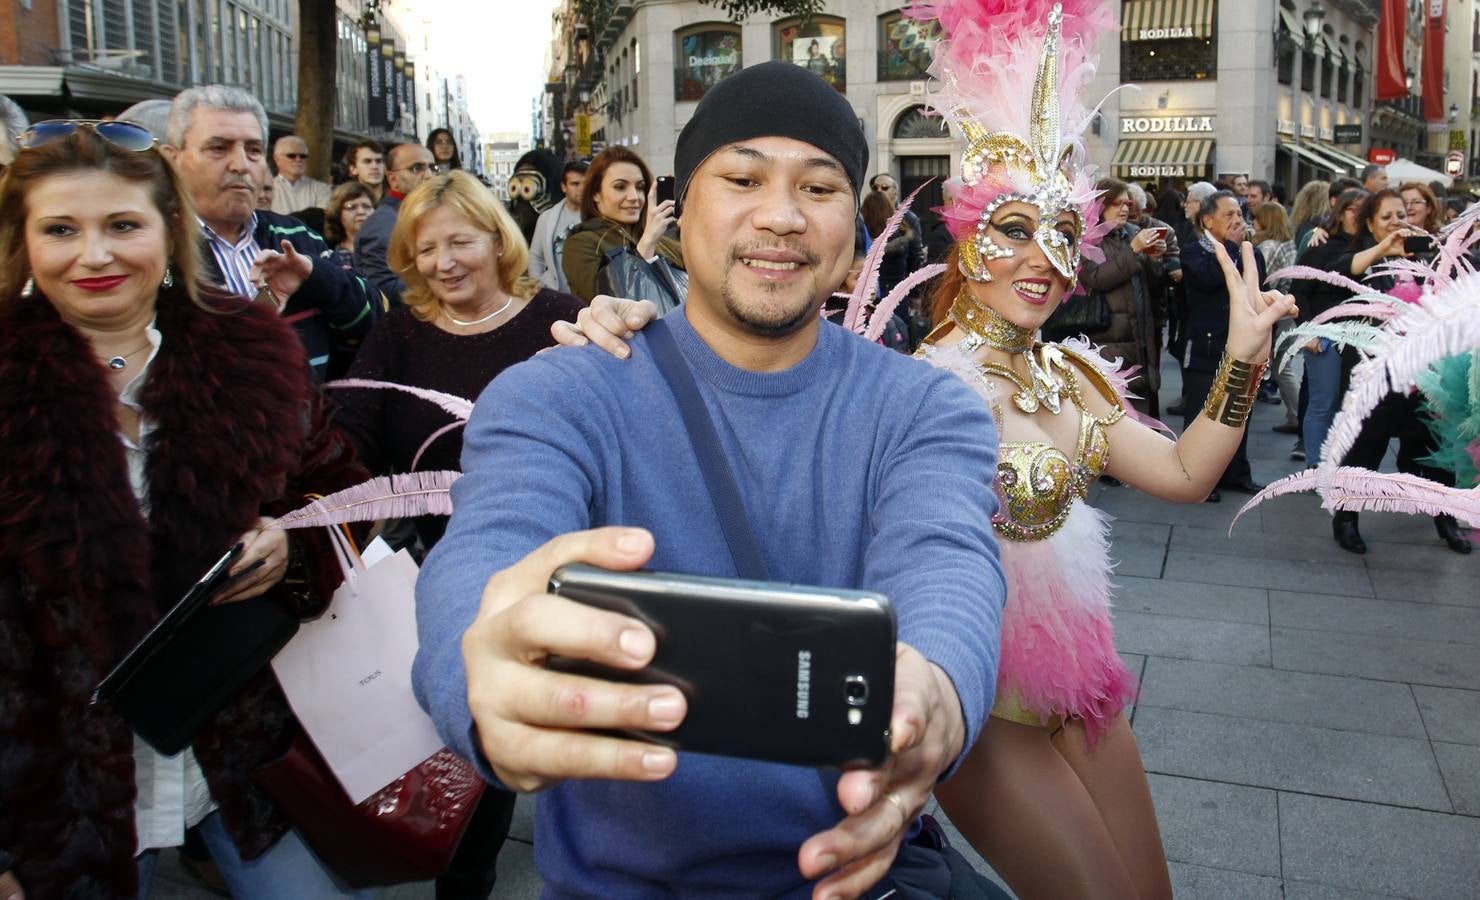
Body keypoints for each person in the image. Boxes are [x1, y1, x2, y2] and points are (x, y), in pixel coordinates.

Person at [562, 10, 1295, 898]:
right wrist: (630, 329)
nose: (1043, 259)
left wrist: (1244, 358)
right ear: (967, 237)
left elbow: (1186, 477)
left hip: (1083, 684)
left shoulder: (1069, 377)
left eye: (1063, 235)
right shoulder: (913, 389)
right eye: (1016, 229)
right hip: (977, 706)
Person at [417, 59, 1011, 898]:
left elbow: (947, 559)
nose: (780, 216)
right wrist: (479, 678)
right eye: (741, 178)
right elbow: (489, 547)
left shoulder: (924, 409)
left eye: (820, 187)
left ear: (854, 222)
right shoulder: (558, 394)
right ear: (679, 204)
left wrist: (937, 693)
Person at [0, 119, 368, 899]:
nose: (94, 254)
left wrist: (291, 543)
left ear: (168, 233)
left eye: (123, 225)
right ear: (23, 242)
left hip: (245, 749)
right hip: (54, 785)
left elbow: (345, 494)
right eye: (61, 228)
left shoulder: (252, 355)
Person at [333, 171, 584, 899]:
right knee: (472, 746)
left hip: (552, 563)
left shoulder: (559, 319)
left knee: (549, 746)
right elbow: (351, 432)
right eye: (426, 247)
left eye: (460, 242)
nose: (443, 262)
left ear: (496, 240)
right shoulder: (400, 331)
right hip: (438, 572)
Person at [163, 85, 379, 381]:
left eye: (253, 150)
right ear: (172, 160)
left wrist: (317, 277)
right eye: (218, 148)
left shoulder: (296, 236)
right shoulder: (156, 249)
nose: (241, 165)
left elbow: (373, 320)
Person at [1325, 188, 1472, 555]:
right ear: (1370, 223)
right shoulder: (1364, 262)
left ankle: (1446, 517)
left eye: (1401, 214)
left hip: (1426, 376)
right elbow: (1337, 272)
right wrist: (1382, 249)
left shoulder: (1429, 260)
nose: (1396, 222)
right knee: (1364, 451)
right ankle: (1346, 517)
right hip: (1376, 377)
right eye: (1386, 216)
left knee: (1436, 449)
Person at [1182, 189, 1268, 500]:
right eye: (1228, 215)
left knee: (1238, 411)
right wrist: (1230, 247)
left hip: (1242, 345)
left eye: (1239, 213)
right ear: (1208, 220)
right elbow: (1206, 279)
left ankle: (1237, 474)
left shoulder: (1250, 252)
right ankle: (1201, 478)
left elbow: (1259, 289)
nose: (1237, 219)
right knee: (1203, 413)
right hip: (1206, 345)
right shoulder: (1194, 251)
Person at [1075, 178, 1167, 417]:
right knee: (1116, 413)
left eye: (1127, 203)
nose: (1125, 209)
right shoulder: (1087, 239)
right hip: (1106, 339)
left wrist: (1156, 260)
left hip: (1140, 337)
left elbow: (1154, 287)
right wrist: (1133, 251)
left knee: (1144, 412)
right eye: (1117, 203)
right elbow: (1095, 278)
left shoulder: (1133, 234)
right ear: (1100, 206)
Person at [1293, 187, 1366, 469]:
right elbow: (1299, 290)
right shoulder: (1320, 244)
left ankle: (1339, 463)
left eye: (1364, 211)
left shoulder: (1370, 246)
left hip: (1361, 336)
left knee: (1349, 404)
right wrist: (1308, 330)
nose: (1357, 216)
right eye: (1352, 209)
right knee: (1324, 402)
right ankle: (1315, 466)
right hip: (1325, 333)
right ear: (1340, 211)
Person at [561, 145, 682, 303]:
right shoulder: (580, 244)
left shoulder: (664, 234)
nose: (634, 196)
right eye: (620, 187)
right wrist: (647, 243)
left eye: (639, 187)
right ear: (596, 194)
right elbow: (612, 300)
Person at [355, 142, 440, 307]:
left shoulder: (425, 213)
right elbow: (385, 290)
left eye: (433, 167)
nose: (429, 175)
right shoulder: (383, 224)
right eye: (417, 168)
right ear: (393, 179)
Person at [1253, 201, 1300, 433]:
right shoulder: (1287, 243)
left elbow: (1263, 281)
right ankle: (1295, 416)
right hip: (1285, 311)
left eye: (1256, 218)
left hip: (1277, 313)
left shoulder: (1268, 246)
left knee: (1283, 367)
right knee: (1282, 366)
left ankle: (1297, 416)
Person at [527, 158, 587, 294]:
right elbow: (536, 256)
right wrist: (538, 289)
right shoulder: (547, 219)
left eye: (585, 183)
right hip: (556, 296)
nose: (581, 189)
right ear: (563, 187)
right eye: (575, 184)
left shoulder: (599, 216)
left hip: (590, 300)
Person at [270, 135, 332, 216]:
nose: (298, 159)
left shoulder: (321, 189)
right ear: (276, 159)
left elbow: (321, 220)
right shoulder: (266, 188)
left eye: (303, 156)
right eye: (291, 156)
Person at [324, 181, 376, 272]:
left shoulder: (388, 248)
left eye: (367, 206)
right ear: (337, 214)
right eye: (351, 207)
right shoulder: (334, 258)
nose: (361, 212)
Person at [344, 139, 386, 205]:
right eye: (367, 161)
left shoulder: (399, 202)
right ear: (353, 169)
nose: (375, 166)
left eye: (379, 161)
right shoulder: (344, 201)